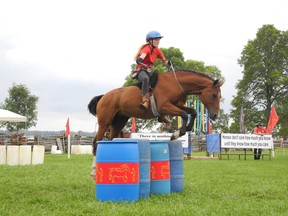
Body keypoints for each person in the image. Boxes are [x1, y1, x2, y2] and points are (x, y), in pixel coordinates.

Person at [133, 31, 172, 111]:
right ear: (150, 41)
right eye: (156, 39)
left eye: (159, 39)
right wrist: (140, 59)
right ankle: (145, 102)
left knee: (160, 81)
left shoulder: (157, 51)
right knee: (145, 79)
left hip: (148, 72)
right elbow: (143, 55)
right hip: (140, 71)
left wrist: (168, 63)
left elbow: (164, 61)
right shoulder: (146, 48)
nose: (158, 41)